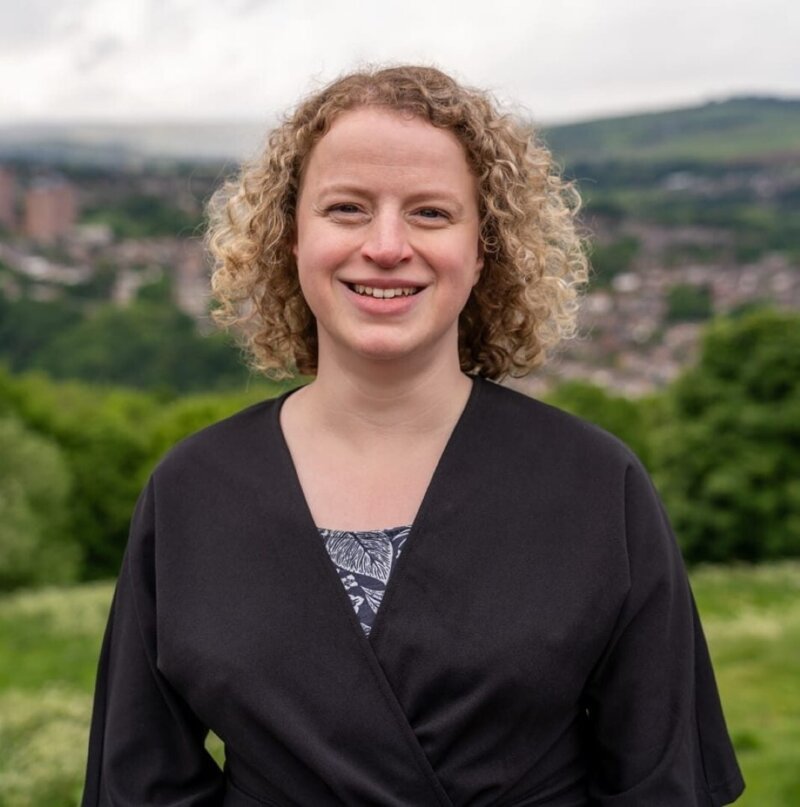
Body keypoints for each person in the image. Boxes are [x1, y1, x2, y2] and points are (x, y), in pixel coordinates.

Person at [81, 65, 744, 806]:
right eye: (347, 208)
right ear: (290, 237)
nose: (388, 245)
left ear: (485, 247)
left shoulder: (595, 485)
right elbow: (136, 785)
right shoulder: (193, 492)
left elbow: (665, 785)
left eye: (431, 212)